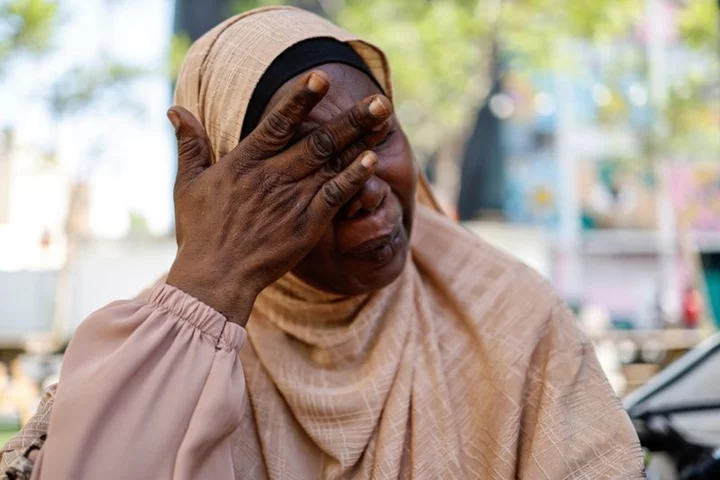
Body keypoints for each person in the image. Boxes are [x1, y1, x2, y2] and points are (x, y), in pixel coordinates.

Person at [0, 6, 646, 479]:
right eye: (313, 159)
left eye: (378, 134)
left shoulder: (507, 315)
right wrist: (212, 286)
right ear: (230, 198)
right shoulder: (170, 347)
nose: (364, 185)